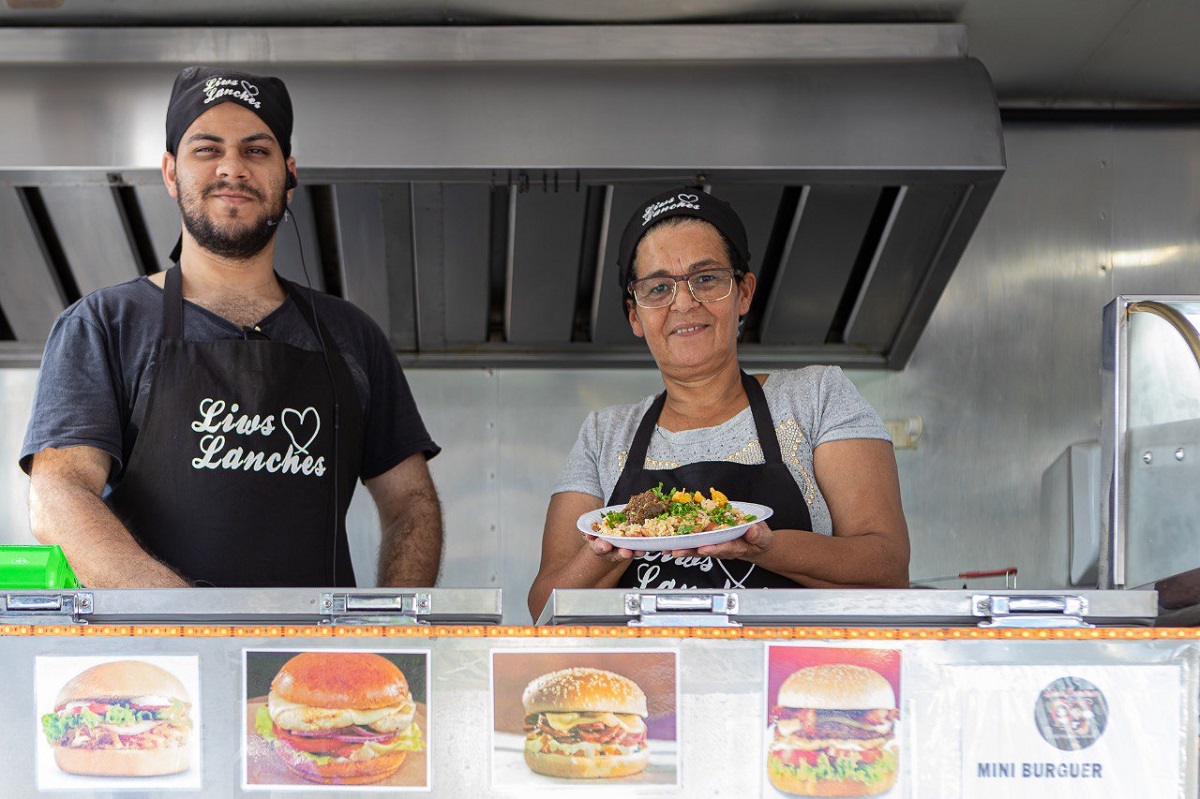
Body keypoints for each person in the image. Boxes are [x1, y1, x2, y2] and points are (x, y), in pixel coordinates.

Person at [20, 66, 443, 588]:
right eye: (207, 149)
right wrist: (190, 625)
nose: (232, 168)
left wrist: (389, 635)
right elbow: (59, 496)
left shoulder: (352, 335)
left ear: (289, 178)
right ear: (172, 172)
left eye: (256, 150)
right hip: (162, 657)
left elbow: (412, 502)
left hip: (317, 661)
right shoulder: (104, 325)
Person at [528, 187, 909, 618]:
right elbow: (545, 607)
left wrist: (764, 546)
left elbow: (887, 568)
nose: (685, 302)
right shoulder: (603, 435)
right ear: (635, 315)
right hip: (647, 681)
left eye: (706, 279)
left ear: (744, 292)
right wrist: (615, 542)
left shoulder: (818, 397)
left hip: (787, 676)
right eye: (657, 288)